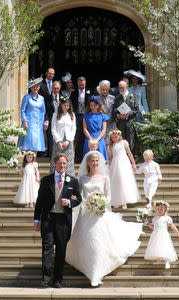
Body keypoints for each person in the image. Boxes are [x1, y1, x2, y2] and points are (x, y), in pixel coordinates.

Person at [66, 151, 142, 287]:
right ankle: (88, 267)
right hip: (86, 213)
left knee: (99, 240)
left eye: (97, 161)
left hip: (99, 212)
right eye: (92, 161)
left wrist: (100, 202)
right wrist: (86, 202)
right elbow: (79, 195)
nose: (95, 163)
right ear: (88, 163)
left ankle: (96, 273)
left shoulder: (104, 177)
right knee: (86, 240)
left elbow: (108, 196)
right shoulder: (82, 178)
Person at [33, 154, 82, 288]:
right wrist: (36, 219)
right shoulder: (46, 180)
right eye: (60, 163)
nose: (62, 166)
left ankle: (58, 279)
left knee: (61, 249)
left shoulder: (73, 181)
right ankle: (46, 278)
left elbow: (79, 199)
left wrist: (70, 202)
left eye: (64, 164)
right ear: (55, 163)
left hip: (63, 219)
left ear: (67, 164)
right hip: (48, 218)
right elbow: (39, 202)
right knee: (47, 247)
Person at [144, 200, 179, 269]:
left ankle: (167, 261)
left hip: (164, 234)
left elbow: (172, 226)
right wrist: (147, 223)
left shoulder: (167, 218)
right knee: (157, 247)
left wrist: (178, 233)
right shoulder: (154, 218)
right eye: (158, 209)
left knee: (165, 247)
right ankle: (159, 259)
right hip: (156, 234)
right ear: (156, 210)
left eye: (161, 209)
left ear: (165, 210)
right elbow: (153, 227)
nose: (160, 210)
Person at [108, 128, 140, 209]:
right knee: (116, 182)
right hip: (115, 164)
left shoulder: (124, 142)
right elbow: (110, 158)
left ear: (119, 136)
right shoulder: (111, 145)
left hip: (124, 163)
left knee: (124, 181)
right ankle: (117, 201)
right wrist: (108, 166)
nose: (114, 139)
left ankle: (124, 202)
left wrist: (134, 164)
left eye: (116, 137)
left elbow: (129, 153)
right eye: (112, 138)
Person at [17, 77, 48, 154]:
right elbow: (22, 110)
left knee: (36, 144)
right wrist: (24, 121)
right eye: (33, 86)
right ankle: (26, 163)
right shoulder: (27, 97)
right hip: (29, 123)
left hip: (38, 124)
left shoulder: (41, 98)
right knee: (28, 143)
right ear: (30, 88)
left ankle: (34, 163)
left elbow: (43, 111)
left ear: (39, 87)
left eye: (37, 86)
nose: (35, 88)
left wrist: (44, 121)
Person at [50, 97, 76, 176]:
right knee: (58, 161)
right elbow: (53, 129)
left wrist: (69, 140)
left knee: (68, 163)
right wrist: (58, 141)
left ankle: (69, 180)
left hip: (68, 141)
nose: (66, 107)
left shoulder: (72, 115)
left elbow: (73, 128)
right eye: (65, 105)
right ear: (61, 105)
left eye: (68, 105)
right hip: (59, 142)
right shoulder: (55, 114)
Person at [111, 80, 139, 155]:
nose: (121, 89)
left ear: (127, 87)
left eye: (122, 87)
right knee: (121, 142)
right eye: (120, 88)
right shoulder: (117, 98)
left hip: (130, 122)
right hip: (120, 123)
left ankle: (130, 160)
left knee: (130, 141)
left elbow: (136, 109)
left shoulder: (134, 96)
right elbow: (114, 110)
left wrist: (127, 115)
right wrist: (118, 115)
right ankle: (122, 158)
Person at [82, 95, 110, 162]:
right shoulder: (86, 116)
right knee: (89, 159)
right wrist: (91, 139)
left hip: (99, 138)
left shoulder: (102, 115)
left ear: (98, 105)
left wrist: (97, 140)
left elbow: (104, 129)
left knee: (100, 157)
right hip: (89, 138)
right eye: (91, 105)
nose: (92, 107)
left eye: (94, 105)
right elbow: (85, 129)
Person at [70, 76, 91, 163]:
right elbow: (71, 105)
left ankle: (86, 156)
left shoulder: (89, 92)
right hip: (77, 115)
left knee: (87, 135)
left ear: (85, 84)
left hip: (87, 115)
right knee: (78, 136)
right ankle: (78, 157)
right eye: (80, 85)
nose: (81, 86)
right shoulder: (73, 93)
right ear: (77, 84)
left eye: (83, 84)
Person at [45, 81, 62, 157]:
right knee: (51, 139)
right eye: (54, 88)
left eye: (57, 88)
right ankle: (52, 156)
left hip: (61, 121)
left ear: (60, 88)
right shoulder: (47, 98)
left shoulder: (63, 97)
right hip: (51, 120)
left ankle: (60, 155)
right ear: (51, 88)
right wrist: (46, 120)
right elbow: (44, 111)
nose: (56, 90)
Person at [97, 80, 116, 146]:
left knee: (112, 142)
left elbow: (115, 111)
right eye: (103, 89)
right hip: (101, 124)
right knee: (102, 143)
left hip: (111, 123)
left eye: (106, 89)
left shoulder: (113, 98)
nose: (105, 91)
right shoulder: (97, 99)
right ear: (100, 89)